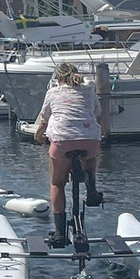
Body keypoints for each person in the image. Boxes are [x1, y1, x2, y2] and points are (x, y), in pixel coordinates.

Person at [33, 62, 105, 248]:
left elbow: (44, 120)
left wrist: (38, 136)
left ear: (58, 78)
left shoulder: (52, 92)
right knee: (90, 156)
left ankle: (59, 233)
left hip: (62, 140)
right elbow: (98, 115)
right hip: (89, 139)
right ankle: (91, 189)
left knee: (57, 183)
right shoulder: (89, 90)